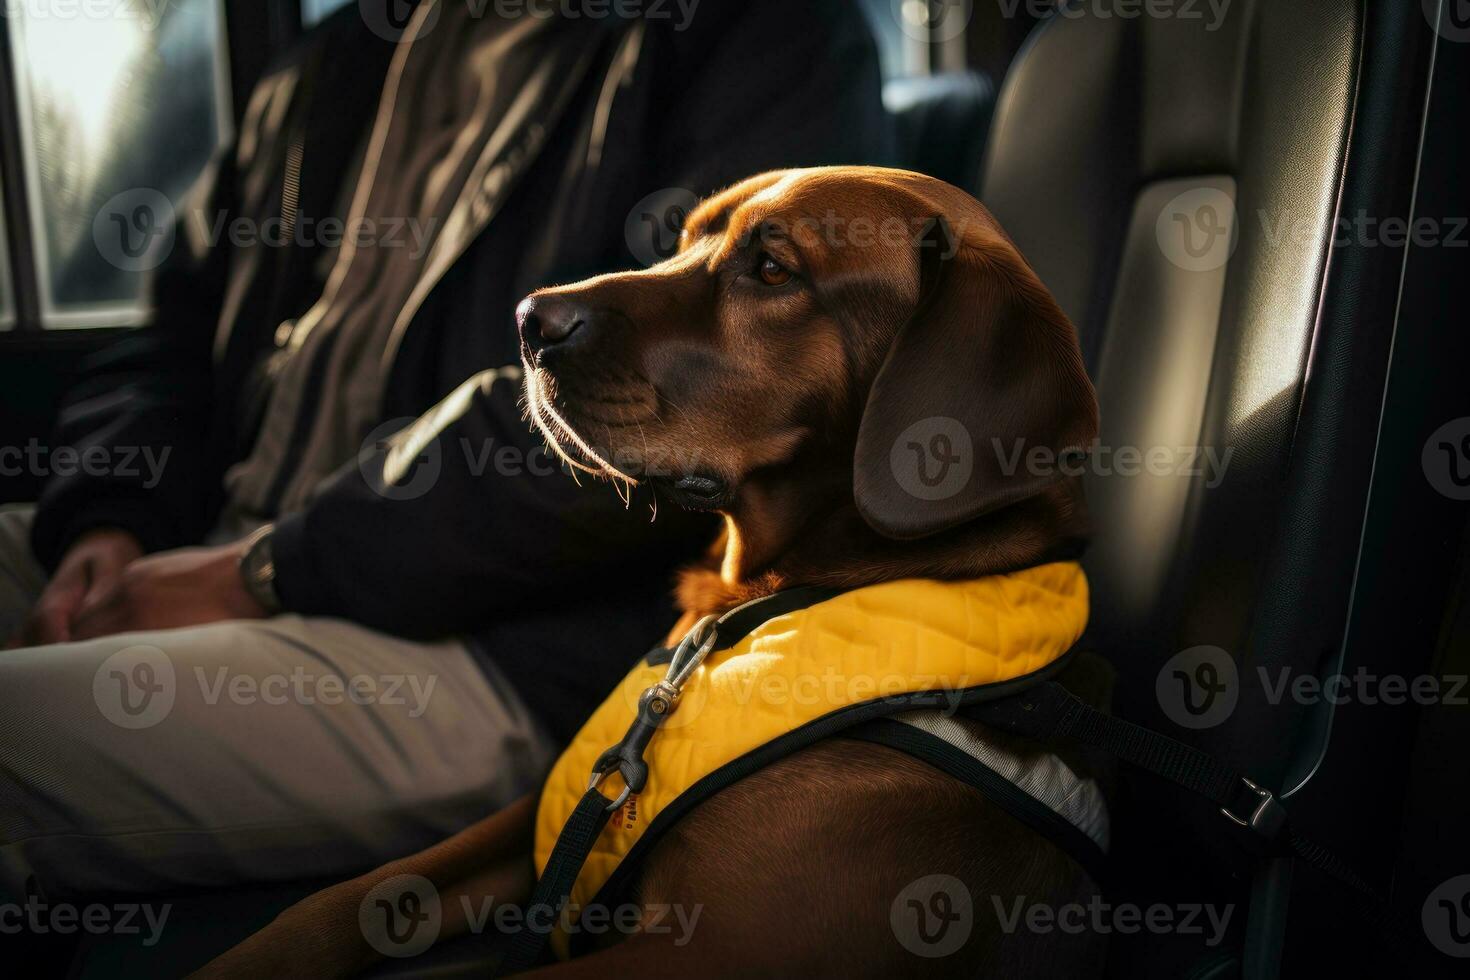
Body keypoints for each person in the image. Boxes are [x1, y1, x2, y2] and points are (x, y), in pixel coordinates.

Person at [0, 0, 891, 901]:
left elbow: (689, 403)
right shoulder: (335, 56)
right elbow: (173, 343)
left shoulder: (758, 36)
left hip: (492, 636)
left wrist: (264, 572)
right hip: (216, 541)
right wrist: (109, 518)